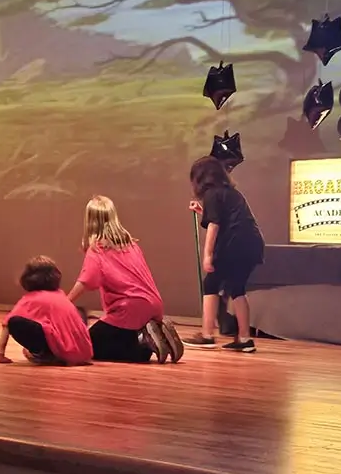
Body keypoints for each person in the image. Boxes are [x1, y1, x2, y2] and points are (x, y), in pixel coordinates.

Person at [66, 196, 184, 364]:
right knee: (126, 343)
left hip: (128, 310)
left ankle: (143, 342)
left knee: (87, 347)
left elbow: (88, 280)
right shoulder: (131, 245)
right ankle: (148, 338)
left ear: (90, 220)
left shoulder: (97, 249)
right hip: (153, 305)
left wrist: (66, 301)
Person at [185, 156, 264, 352]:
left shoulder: (212, 194)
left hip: (233, 245)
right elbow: (224, 217)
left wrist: (208, 255)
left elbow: (215, 224)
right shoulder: (232, 193)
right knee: (237, 288)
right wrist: (202, 211)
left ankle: (207, 335)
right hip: (251, 244)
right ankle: (245, 339)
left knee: (210, 284)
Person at [0, 255, 93, 366]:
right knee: (79, 311)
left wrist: (0, 354)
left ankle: (45, 356)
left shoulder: (30, 299)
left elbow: (7, 324)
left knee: (14, 321)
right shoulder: (60, 295)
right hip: (83, 354)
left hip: (61, 352)